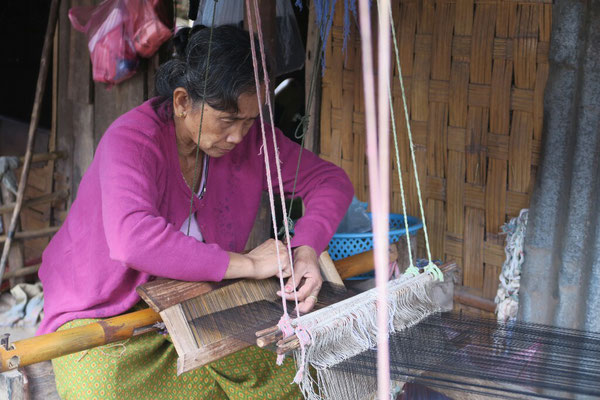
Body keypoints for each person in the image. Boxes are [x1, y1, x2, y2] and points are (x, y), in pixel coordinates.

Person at [38, 25, 353, 399]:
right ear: (183, 101)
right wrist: (250, 264)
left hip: (193, 300)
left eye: (250, 120)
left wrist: (306, 249)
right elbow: (132, 239)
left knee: (286, 372)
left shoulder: (251, 141)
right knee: (103, 390)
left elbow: (331, 182)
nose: (238, 136)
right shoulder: (133, 141)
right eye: (227, 120)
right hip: (105, 308)